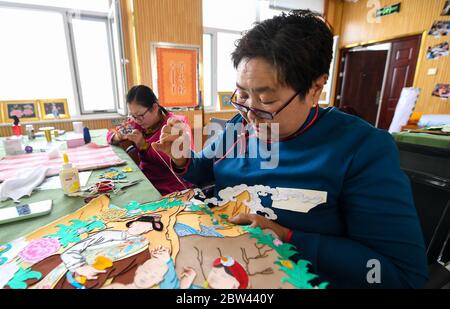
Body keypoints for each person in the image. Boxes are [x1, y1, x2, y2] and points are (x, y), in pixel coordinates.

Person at [152, 10, 428, 288]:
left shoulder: (362, 149)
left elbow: (400, 276)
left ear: (315, 88)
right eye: (243, 95)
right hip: (222, 267)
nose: (250, 113)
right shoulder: (238, 126)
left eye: (267, 99)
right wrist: (181, 157)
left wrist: (287, 236)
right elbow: (200, 171)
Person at [107, 85, 192, 195]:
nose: (137, 121)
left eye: (140, 115)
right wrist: (119, 136)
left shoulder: (174, 126)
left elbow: (175, 163)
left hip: (172, 187)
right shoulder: (136, 123)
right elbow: (110, 134)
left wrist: (144, 145)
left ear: (155, 107)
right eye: (132, 116)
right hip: (146, 181)